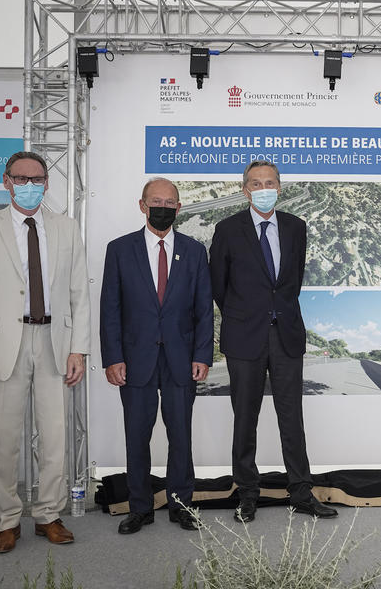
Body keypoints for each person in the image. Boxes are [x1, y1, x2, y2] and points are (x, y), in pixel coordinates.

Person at [0, 151, 90, 553]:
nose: (30, 185)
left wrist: (79, 349)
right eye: (22, 178)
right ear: (6, 181)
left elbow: (79, 294)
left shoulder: (67, 229)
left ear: (47, 184)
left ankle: (49, 515)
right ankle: (7, 520)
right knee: (4, 440)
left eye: (38, 179)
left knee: (54, 437)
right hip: (3, 348)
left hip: (54, 343)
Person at [209, 160, 336, 521]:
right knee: (244, 420)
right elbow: (218, 286)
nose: (263, 188)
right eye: (255, 183)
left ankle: (301, 493)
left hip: (286, 335)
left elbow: (290, 282)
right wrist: (247, 313)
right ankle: (247, 493)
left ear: (279, 187)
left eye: (269, 182)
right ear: (245, 189)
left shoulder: (296, 227)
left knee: (291, 419)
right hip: (244, 336)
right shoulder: (228, 229)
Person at [99, 178, 214, 534]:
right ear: (142, 205)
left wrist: (203, 355)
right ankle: (139, 508)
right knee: (137, 435)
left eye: (170, 202)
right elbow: (110, 309)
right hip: (134, 361)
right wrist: (112, 357)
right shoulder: (119, 249)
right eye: (156, 201)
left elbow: (203, 309)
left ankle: (182, 505)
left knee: (181, 435)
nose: (163, 207)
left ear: (179, 208)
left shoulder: (195, 251)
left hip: (182, 359)